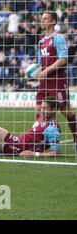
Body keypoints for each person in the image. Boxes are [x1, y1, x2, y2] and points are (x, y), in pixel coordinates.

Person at [36, 11, 77, 149]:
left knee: (66, 112)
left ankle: (76, 139)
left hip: (57, 80)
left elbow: (63, 60)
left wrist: (46, 70)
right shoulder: (41, 41)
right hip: (44, 82)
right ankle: (48, 141)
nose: (42, 21)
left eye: (45, 19)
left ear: (53, 21)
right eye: (42, 19)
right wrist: (33, 72)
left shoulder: (58, 38)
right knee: (40, 111)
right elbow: (39, 64)